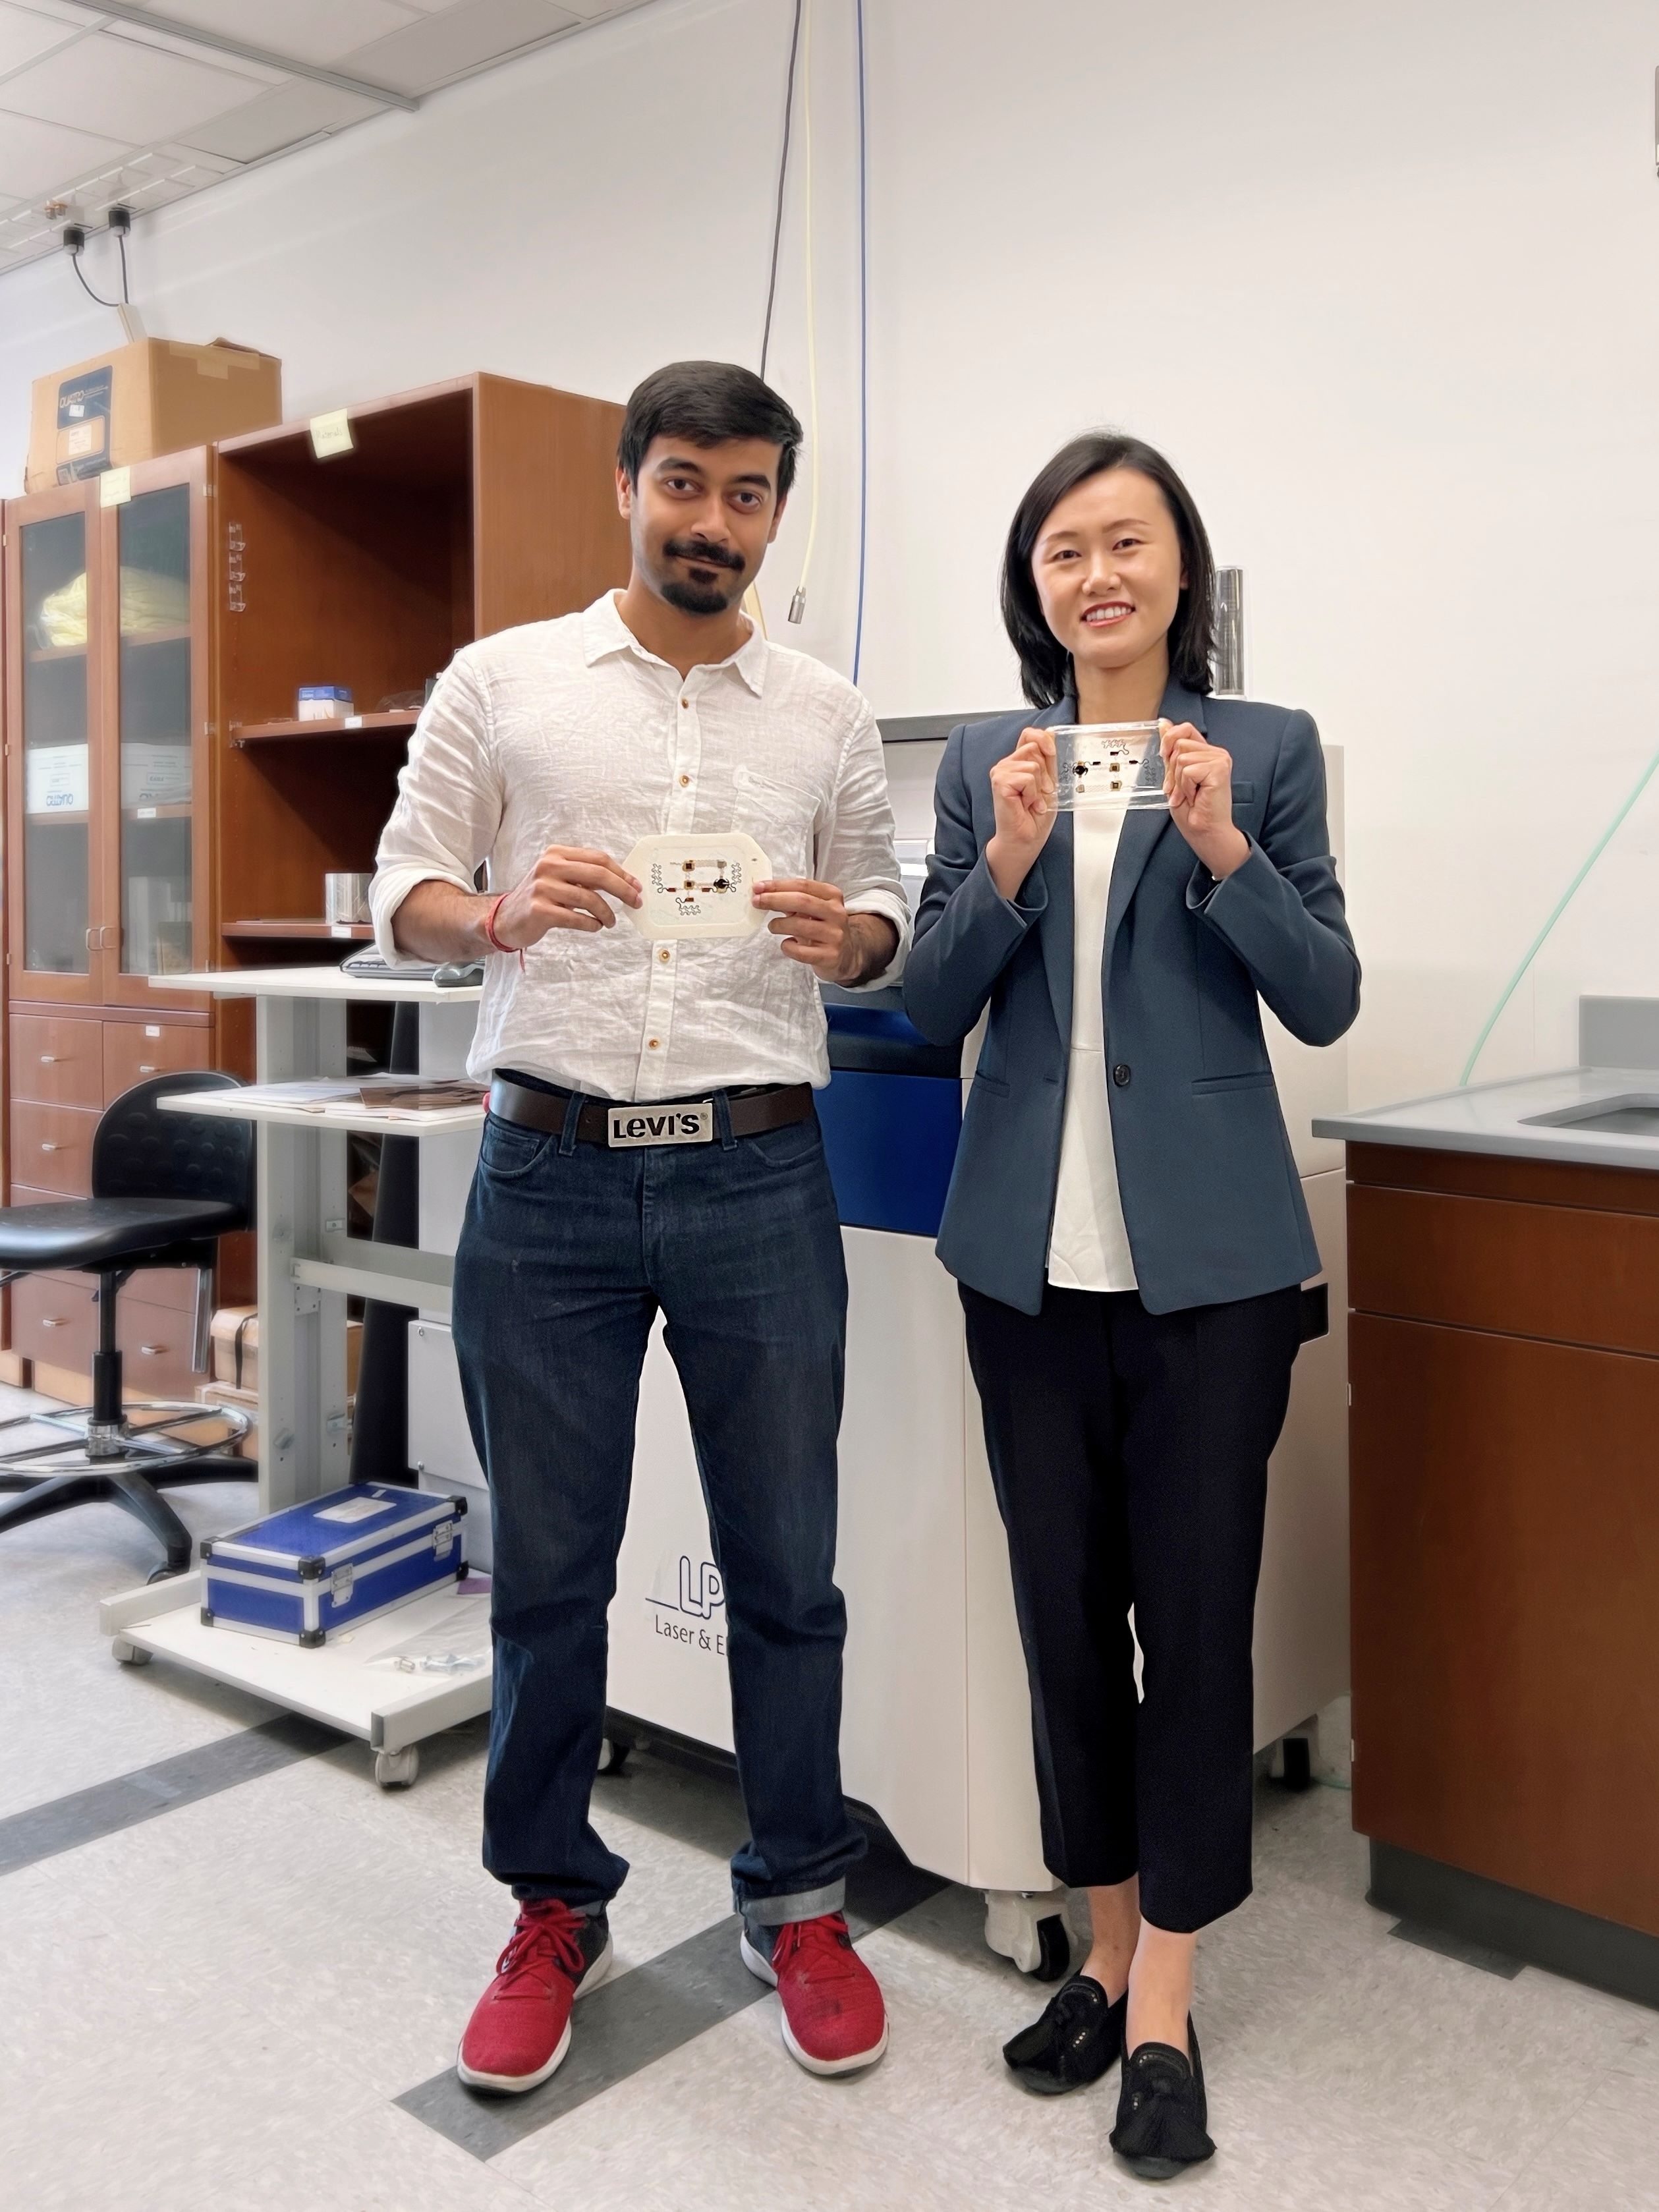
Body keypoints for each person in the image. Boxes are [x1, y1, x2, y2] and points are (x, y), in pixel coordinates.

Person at [370, 360, 908, 2093]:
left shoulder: (823, 712)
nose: (713, 522)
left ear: (774, 512)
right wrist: (500, 912)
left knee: (787, 1571)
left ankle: (801, 1894)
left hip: (759, 1169)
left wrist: (863, 942)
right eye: (686, 483)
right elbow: (406, 896)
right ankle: (551, 1903)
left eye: (748, 495)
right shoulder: (504, 685)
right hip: (550, 1176)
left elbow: (887, 896)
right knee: (546, 1574)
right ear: (628, 486)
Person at [903, 432, 1359, 2178]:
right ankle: (1099, 1945)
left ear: (1183, 571)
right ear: (1033, 583)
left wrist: (1228, 852)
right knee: (1063, 1618)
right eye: (1062, 550)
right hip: (1023, 1266)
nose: (1095, 574)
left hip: (1211, 1277)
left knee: (1196, 1617)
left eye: (1127, 543)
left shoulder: (1262, 750)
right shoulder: (984, 762)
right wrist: (1009, 862)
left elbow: (1322, 998)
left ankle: (1163, 1992)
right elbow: (933, 997)